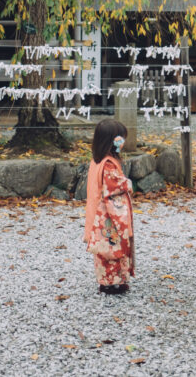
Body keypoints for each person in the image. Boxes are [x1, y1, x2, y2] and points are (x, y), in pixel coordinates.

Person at [83, 118, 135, 295]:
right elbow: (113, 186)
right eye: (120, 138)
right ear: (112, 141)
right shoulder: (108, 164)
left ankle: (106, 281)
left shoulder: (97, 161)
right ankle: (115, 282)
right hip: (108, 214)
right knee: (114, 246)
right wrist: (127, 183)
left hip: (99, 212)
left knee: (103, 248)